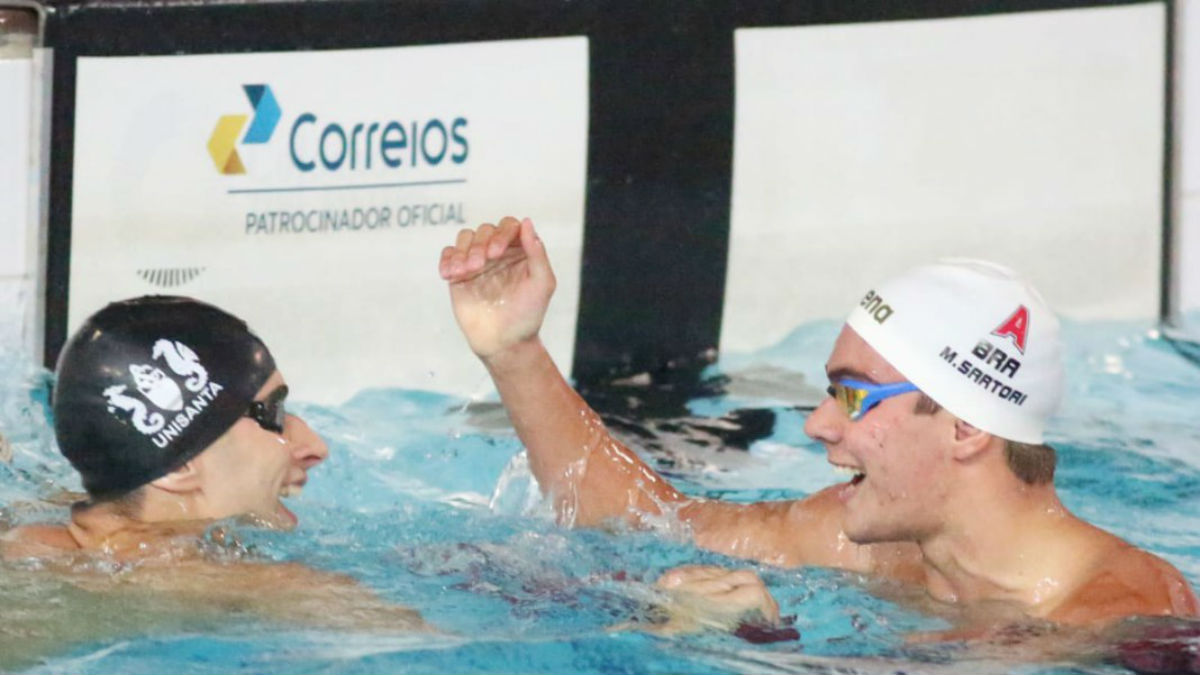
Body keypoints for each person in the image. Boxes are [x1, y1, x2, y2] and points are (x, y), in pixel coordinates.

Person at [439, 216, 1199, 631]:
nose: (815, 426)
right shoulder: (871, 545)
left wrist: (769, 644)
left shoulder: (1117, 617)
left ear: (966, 426)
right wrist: (516, 354)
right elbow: (646, 522)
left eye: (855, 396)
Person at [0, 295, 775, 650]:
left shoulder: (56, 529)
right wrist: (670, 631)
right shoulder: (222, 579)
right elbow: (463, 658)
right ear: (178, 467)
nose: (311, 444)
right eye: (272, 416)